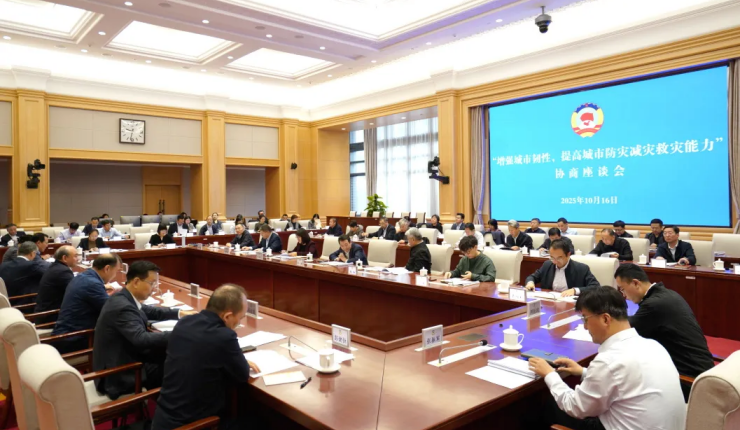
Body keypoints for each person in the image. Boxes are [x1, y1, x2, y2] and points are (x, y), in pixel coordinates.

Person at [528, 287, 686, 430]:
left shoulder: (609, 360)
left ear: (605, 319)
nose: (585, 327)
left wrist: (550, 374)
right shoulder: (653, 345)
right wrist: (583, 372)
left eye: (585, 319)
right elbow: (624, 381)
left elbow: (575, 407)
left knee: (551, 403)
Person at [152, 285, 260, 430]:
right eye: (240, 319)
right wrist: (238, 359)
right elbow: (242, 375)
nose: (239, 324)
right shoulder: (224, 337)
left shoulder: (184, 322)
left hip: (162, 419)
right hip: (193, 425)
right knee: (257, 422)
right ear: (227, 316)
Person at [93, 261, 195, 400]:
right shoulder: (123, 306)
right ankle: (172, 404)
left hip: (122, 358)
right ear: (136, 282)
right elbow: (141, 339)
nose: (154, 289)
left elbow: (149, 310)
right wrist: (182, 333)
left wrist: (180, 313)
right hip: (120, 374)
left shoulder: (123, 297)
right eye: (152, 283)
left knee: (170, 354)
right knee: (178, 361)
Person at [615, 263, 714, 401]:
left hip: (689, 381)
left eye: (622, 289)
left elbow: (623, 330)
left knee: (624, 378)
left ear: (636, 283)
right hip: (703, 371)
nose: (624, 296)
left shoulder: (654, 305)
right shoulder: (668, 294)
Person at [51, 254, 121, 353]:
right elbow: (113, 311)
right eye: (116, 271)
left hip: (65, 334)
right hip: (73, 340)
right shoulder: (93, 284)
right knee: (124, 339)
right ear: (107, 268)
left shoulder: (83, 276)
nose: (115, 275)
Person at [525, 239, 599, 297]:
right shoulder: (547, 265)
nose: (555, 261)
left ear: (568, 255)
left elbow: (596, 287)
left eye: (559, 258)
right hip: (550, 303)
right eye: (552, 257)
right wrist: (530, 283)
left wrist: (575, 290)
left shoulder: (581, 268)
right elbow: (532, 277)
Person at [34, 246, 77, 323]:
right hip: (51, 317)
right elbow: (77, 292)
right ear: (64, 258)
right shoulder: (63, 272)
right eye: (75, 256)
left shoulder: (56, 266)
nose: (77, 259)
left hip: (45, 312)